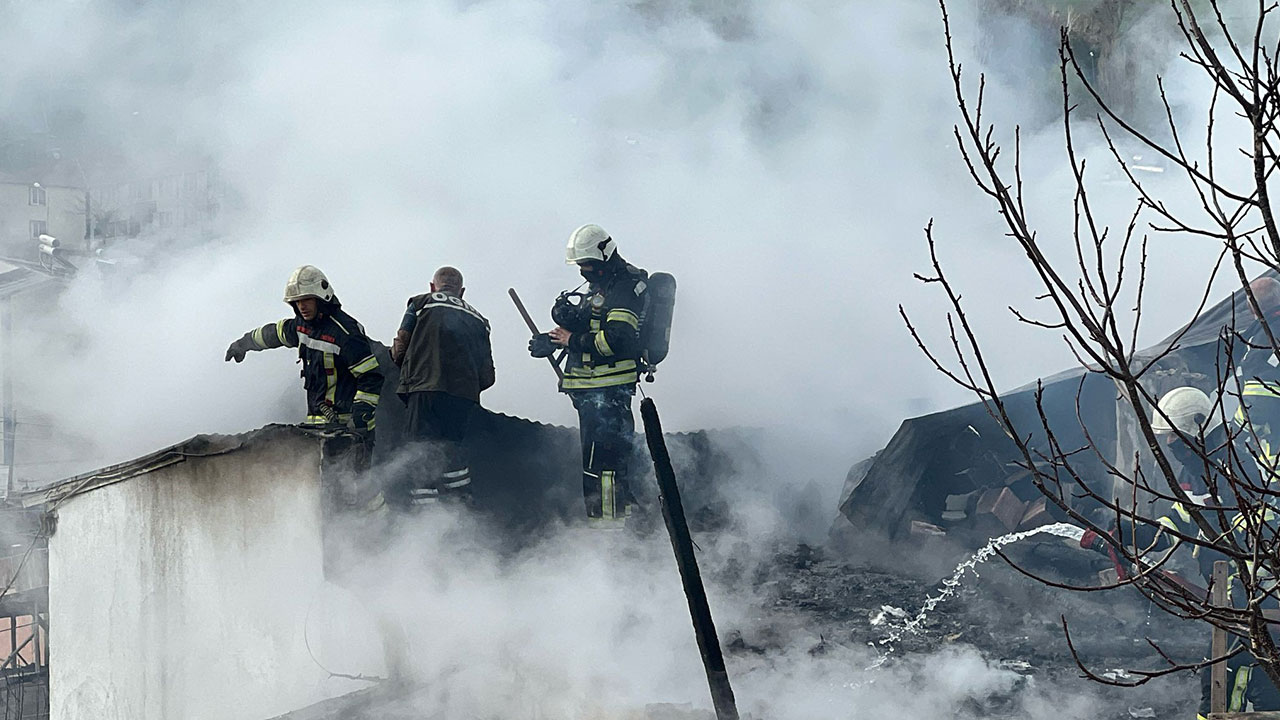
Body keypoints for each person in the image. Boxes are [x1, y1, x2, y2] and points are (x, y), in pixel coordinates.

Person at [1082, 386, 1280, 716]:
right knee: (1246, 684)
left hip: (1260, 594)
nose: (1171, 448)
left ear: (1198, 426)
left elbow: (1262, 531)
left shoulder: (1244, 461)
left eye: (1173, 440)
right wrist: (1134, 533)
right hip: (1235, 598)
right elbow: (1182, 519)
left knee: (1230, 685)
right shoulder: (1198, 470)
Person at [529, 224, 647, 527]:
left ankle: (609, 533)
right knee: (604, 467)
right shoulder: (603, 285)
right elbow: (588, 328)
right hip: (593, 393)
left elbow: (616, 339)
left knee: (603, 470)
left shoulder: (625, 286)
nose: (583, 271)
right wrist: (552, 341)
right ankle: (624, 527)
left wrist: (571, 341)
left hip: (608, 393)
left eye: (587, 264)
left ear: (604, 256)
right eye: (580, 265)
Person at [224, 265, 382, 440]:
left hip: (348, 430)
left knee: (344, 469)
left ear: (321, 298)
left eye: (306, 299)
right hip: (317, 426)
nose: (302, 306)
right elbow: (274, 334)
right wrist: (243, 343)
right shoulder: (302, 326)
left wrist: (360, 417)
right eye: (297, 301)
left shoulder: (346, 334)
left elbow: (370, 377)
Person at [391, 266, 494, 507]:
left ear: (432, 286)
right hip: (462, 398)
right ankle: (462, 513)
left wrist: (408, 368)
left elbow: (399, 350)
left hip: (424, 391)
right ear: (462, 292)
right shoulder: (480, 320)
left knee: (419, 455)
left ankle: (427, 520)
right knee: (453, 456)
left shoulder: (420, 303)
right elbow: (487, 376)